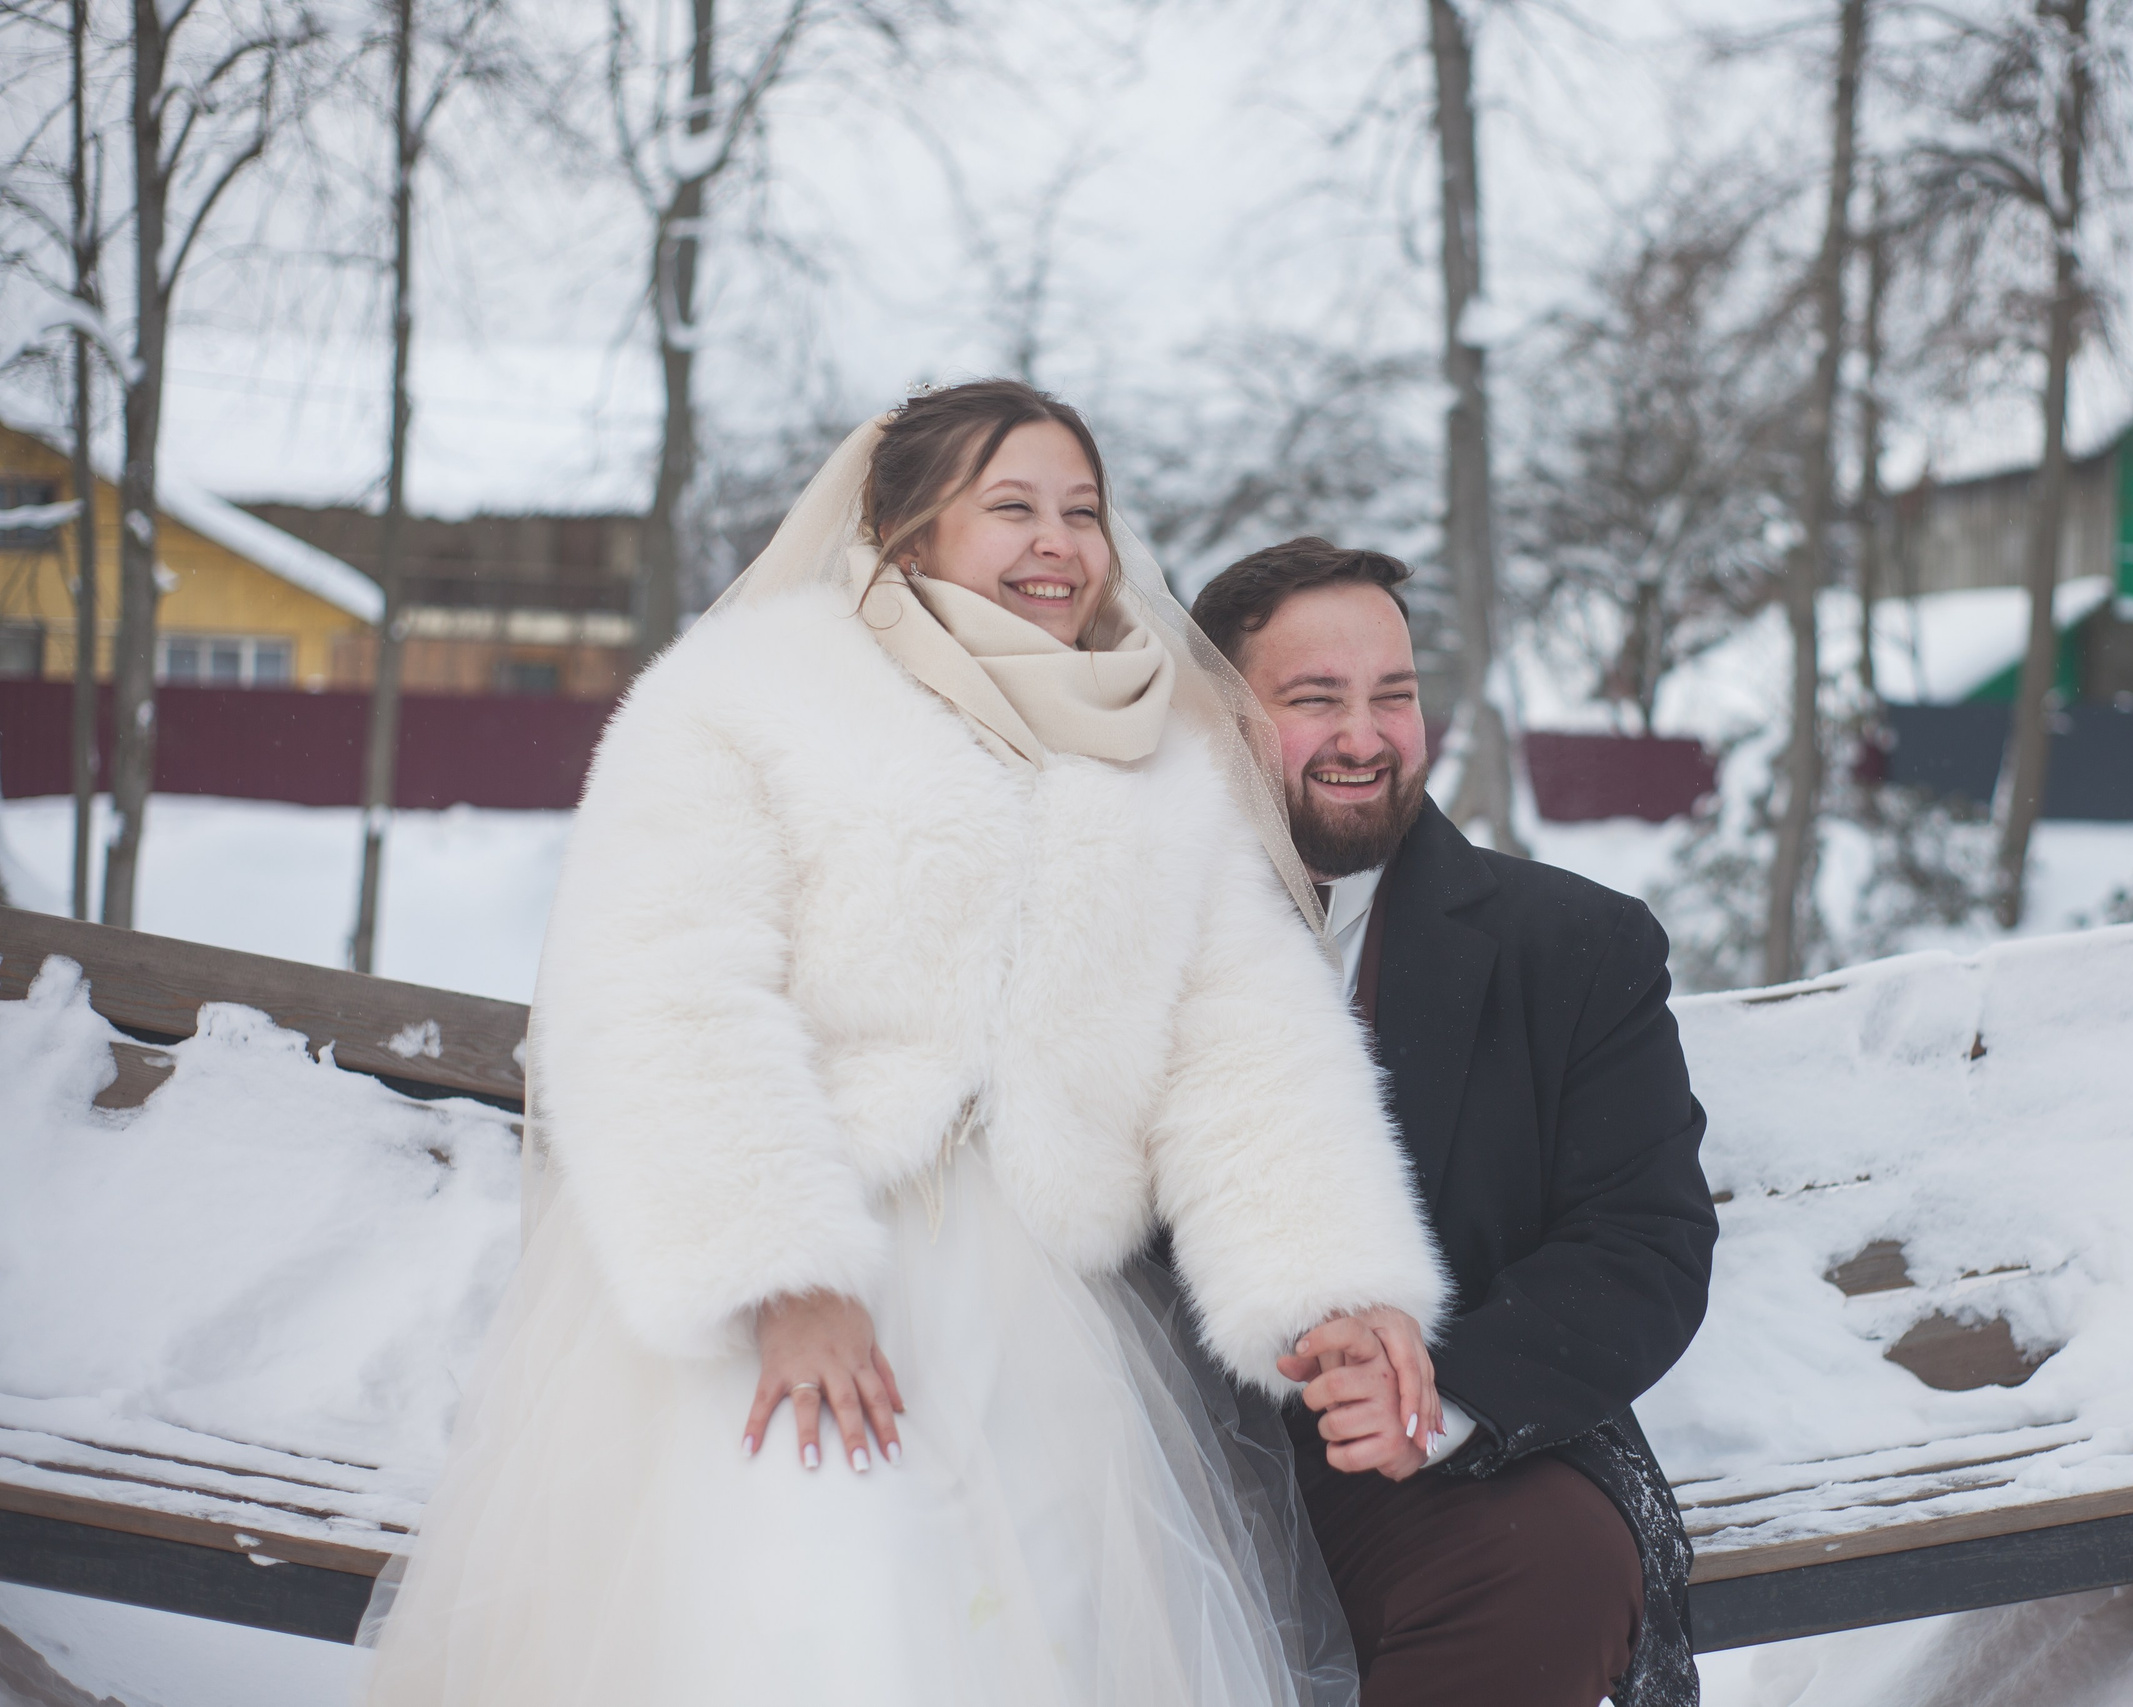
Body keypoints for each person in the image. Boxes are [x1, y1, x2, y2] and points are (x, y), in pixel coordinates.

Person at [358, 387, 1450, 1707]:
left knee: (1030, 1632)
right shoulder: (749, 699)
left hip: (1035, 1306)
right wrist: (784, 1274)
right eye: (1013, 506)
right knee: (815, 1619)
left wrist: (1332, 1284)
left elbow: (1243, 1047)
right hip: (782, 1286)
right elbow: (654, 989)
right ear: (907, 531)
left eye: (1083, 510)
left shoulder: (1152, 752)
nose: (1059, 541)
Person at [1193, 537, 1721, 1707]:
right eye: (1312, 700)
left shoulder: (1575, 948)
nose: (1366, 738)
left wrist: (1439, 1394)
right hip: (1153, 1440)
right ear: (1216, 715)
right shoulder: (1129, 934)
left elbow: (1644, 1244)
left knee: (1551, 1573)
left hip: (1438, 1457)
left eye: (1394, 695)